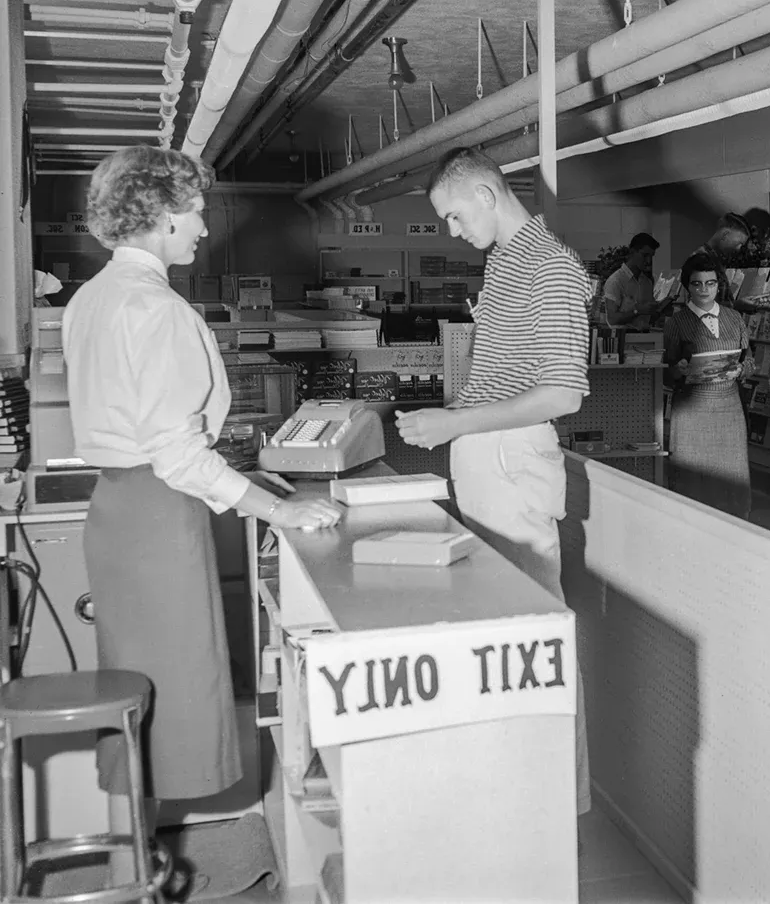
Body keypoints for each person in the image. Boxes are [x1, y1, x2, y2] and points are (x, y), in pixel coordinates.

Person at [63, 147, 342, 876]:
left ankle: (140, 852)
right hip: (160, 515)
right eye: (191, 215)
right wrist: (280, 511)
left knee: (139, 687)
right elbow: (179, 455)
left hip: (115, 512)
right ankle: (144, 867)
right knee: (176, 690)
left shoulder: (90, 298)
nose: (201, 231)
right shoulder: (156, 308)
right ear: (158, 214)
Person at [395, 147, 593, 813]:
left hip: (510, 460)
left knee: (532, 634)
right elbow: (507, 377)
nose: (452, 230)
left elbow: (564, 393)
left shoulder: (551, 267)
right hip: (486, 455)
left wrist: (459, 424)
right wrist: (453, 419)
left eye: (454, 215)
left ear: (486, 192)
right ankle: (510, 793)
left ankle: (549, 802)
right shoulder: (503, 261)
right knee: (497, 634)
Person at [662, 251, 753, 517]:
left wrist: (742, 369)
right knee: (692, 476)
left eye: (710, 283)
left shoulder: (734, 318)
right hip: (692, 410)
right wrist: (677, 370)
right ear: (687, 287)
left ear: (719, 285)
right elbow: (666, 374)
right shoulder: (676, 322)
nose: (704, 289)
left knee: (732, 474)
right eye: (697, 283)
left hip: (729, 408)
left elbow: (749, 362)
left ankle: (736, 526)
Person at [602, 231, 661, 329]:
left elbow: (647, 319)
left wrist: (660, 311)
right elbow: (612, 319)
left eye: (651, 256)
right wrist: (637, 310)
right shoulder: (616, 281)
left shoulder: (647, 282)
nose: (649, 261)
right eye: (645, 255)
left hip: (645, 339)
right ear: (632, 252)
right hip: (624, 340)